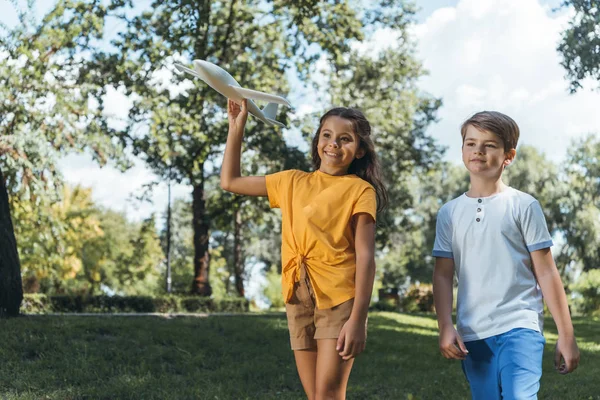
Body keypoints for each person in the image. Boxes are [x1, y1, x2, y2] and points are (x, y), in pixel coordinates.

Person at [220, 99, 387, 399]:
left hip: (339, 299)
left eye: (345, 139)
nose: (333, 144)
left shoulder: (360, 190)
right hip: (298, 295)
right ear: (317, 140)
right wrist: (236, 126)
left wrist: (358, 319)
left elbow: (366, 257)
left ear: (360, 151)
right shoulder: (291, 181)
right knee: (316, 397)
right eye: (326, 135)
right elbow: (230, 181)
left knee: (328, 395)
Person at [432, 111, 580, 399]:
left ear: (508, 155)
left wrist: (567, 334)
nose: (478, 151)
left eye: (489, 145)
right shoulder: (449, 213)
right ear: (462, 149)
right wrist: (445, 325)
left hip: (520, 325)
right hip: (473, 334)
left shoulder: (523, 205)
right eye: (471, 143)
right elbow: (442, 274)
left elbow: (547, 272)